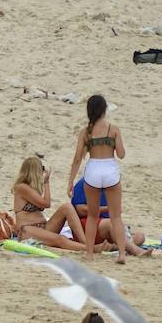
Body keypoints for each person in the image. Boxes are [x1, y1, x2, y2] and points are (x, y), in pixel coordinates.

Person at [67, 94, 129, 263]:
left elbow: (78, 158)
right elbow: (122, 154)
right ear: (104, 110)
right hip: (110, 169)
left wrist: (71, 181)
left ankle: (89, 254)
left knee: (93, 216)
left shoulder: (85, 132)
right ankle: (122, 254)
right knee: (116, 216)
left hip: (93, 170)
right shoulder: (113, 129)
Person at [12, 155, 85, 252]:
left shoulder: (31, 189)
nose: (42, 171)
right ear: (34, 171)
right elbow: (46, 204)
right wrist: (46, 183)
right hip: (28, 231)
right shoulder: (22, 188)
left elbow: (45, 203)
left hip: (43, 228)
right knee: (60, 239)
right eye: (41, 168)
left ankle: (85, 242)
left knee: (66, 207)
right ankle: (91, 249)